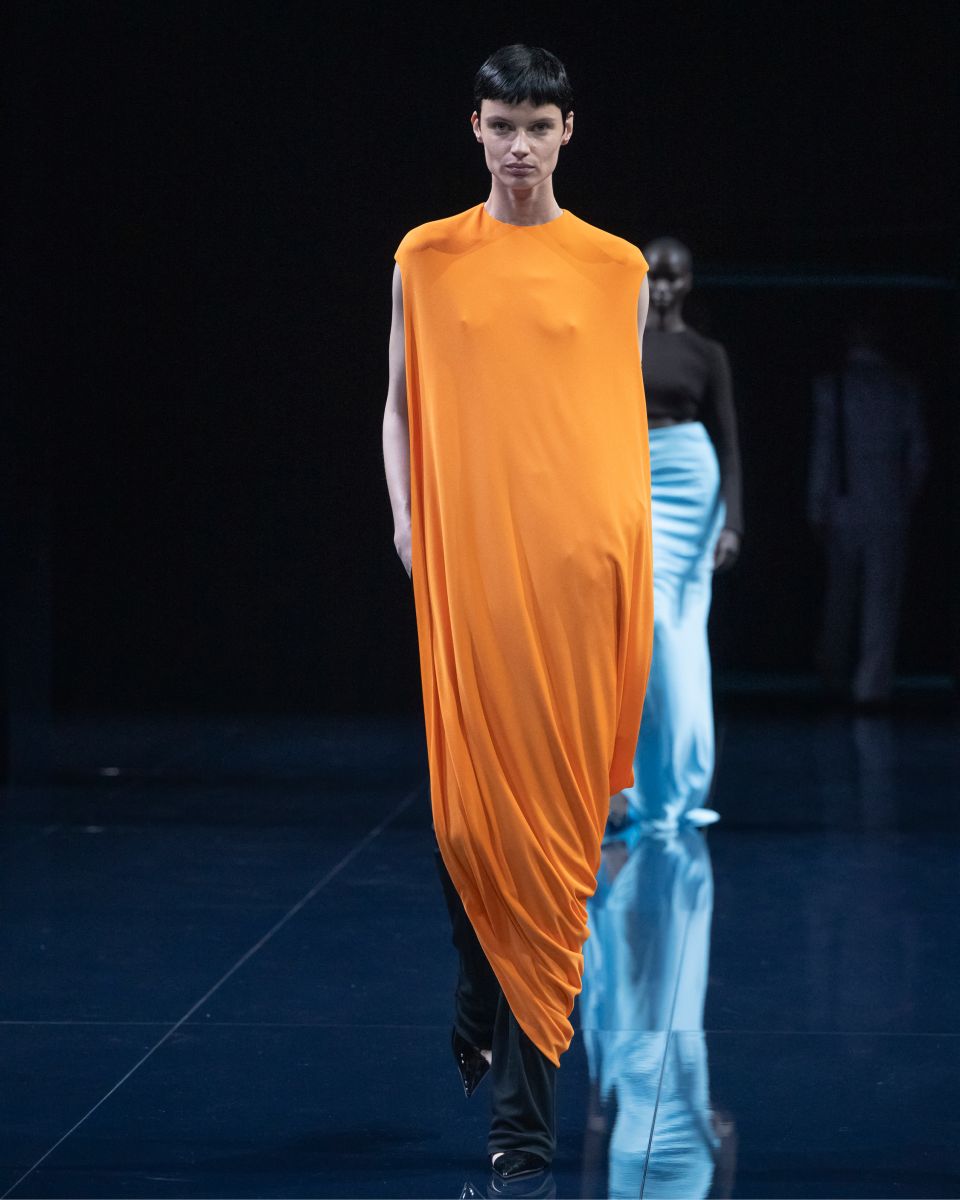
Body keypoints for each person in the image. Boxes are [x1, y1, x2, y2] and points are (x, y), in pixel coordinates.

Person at [382, 45, 654, 1181]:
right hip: (471, 566)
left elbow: (615, 425)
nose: (520, 147)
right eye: (502, 125)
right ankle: (474, 977)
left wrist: (625, 562)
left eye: (539, 127)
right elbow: (400, 404)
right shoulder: (427, 256)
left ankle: (523, 1121)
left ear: (568, 132)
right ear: (476, 129)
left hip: (581, 575)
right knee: (465, 821)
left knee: (555, 839)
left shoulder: (616, 266)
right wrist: (409, 524)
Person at [609, 239, 742, 834]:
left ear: (688, 282)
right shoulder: (620, 341)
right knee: (646, 631)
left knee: (679, 629)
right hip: (633, 475)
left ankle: (683, 785)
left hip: (690, 484)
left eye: (672, 279)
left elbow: (729, 442)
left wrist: (732, 521)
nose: (661, 289)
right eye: (653, 278)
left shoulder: (707, 352)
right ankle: (645, 787)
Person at [807, 315, 929, 707]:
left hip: (843, 506)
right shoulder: (899, 388)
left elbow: (823, 452)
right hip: (887, 507)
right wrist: (904, 496)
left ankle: (834, 674)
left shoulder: (833, 387)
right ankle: (869, 686)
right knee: (880, 598)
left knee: (840, 595)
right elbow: (918, 455)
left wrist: (817, 505)